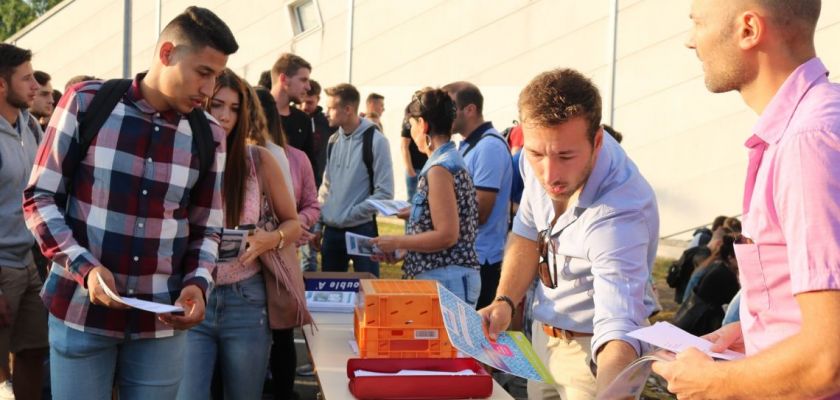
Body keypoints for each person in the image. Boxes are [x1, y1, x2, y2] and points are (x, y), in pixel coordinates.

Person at [23, 7, 237, 398]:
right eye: (203, 72)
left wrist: (198, 284)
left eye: (217, 77)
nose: (210, 90)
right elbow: (40, 198)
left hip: (162, 321)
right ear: (167, 52)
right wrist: (85, 269)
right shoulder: (86, 103)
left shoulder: (209, 134)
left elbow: (208, 227)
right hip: (80, 311)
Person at [653, 1, 840, 398]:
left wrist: (713, 382)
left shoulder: (807, 143)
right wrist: (756, 335)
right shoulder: (814, 125)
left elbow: (831, 358)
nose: (690, 42)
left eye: (698, 23)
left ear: (748, 30)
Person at [479, 68, 659, 400]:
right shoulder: (537, 157)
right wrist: (504, 301)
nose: (550, 175)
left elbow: (619, 326)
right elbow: (526, 234)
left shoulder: (619, 211)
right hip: (542, 333)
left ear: (598, 141)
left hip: (594, 354)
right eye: (536, 154)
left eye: (566, 156)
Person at [178, 69, 300, 400]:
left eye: (234, 108)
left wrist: (268, 239)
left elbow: (293, 222)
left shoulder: (257, 159)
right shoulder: (182, 156)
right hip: (191, 294)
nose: (225, 116)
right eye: (217, 105)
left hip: (246, 298)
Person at [372, 88, 481, 305]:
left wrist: (396, 241)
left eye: (411, 126)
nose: (411, 134)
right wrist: (405, 248)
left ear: (423, 125)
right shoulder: (447, 160)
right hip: (446, 278)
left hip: (445, 280)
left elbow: (447, 235)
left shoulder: (439, 168)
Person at [255, 87, 320, 400]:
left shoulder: (292, 157)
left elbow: (310, 203)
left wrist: (297, 226)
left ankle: (282, 391)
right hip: (254, 257)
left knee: (281, 332)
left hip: (279, 254)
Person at [0, 43, 48, 400]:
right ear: (1, 85)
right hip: (2, 268)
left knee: (33, 353)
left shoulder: (31, 127)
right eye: (26, 78)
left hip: (32, 263)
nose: (35, 86)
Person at [442, 81, 512, 310]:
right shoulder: (468, 145)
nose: (444, 115)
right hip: (466, 259)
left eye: (450, 107)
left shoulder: (488, 147)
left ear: (469, 109)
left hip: (481, 261)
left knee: (474, 339)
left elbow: (480, 212)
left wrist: (435, 216)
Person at [314, 83, 393, 277]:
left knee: (368, 294)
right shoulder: (333, 141)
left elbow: (385, 193)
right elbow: (326, 188)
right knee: (331, 296)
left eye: (331, 108)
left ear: (348, 109)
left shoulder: (377, 141)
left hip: (362, 230)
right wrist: (318, 226)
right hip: (331, 232)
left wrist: (349, 214)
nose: (326, 112)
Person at [270, 53, 316, 176]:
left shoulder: (303, 120)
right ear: (283, 79)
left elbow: (310, 168)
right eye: (303, 80)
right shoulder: (256, 114)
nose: (308, 87)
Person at [400, 106, 428, 201]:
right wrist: (410, 170)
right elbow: (404, 146)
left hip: (427, 168)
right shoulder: (409, 120)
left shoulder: (428, 118)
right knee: (412, 201)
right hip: (415, 169)